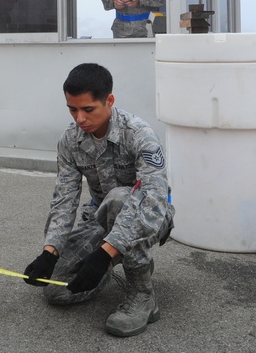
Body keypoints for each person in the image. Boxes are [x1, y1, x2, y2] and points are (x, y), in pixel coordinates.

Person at [22, 63, 174, 338]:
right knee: (57, 291)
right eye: (72, 109)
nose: (79, 118)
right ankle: (123, 261)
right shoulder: (70, 141)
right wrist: (50, 250)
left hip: (150, 218)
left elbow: (154, 198)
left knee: (118, 199)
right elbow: (65, 198)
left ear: (109, 101)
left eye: (88, 109)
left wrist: (105, 253)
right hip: (101, 219)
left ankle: (142, 295)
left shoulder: (139, 134)